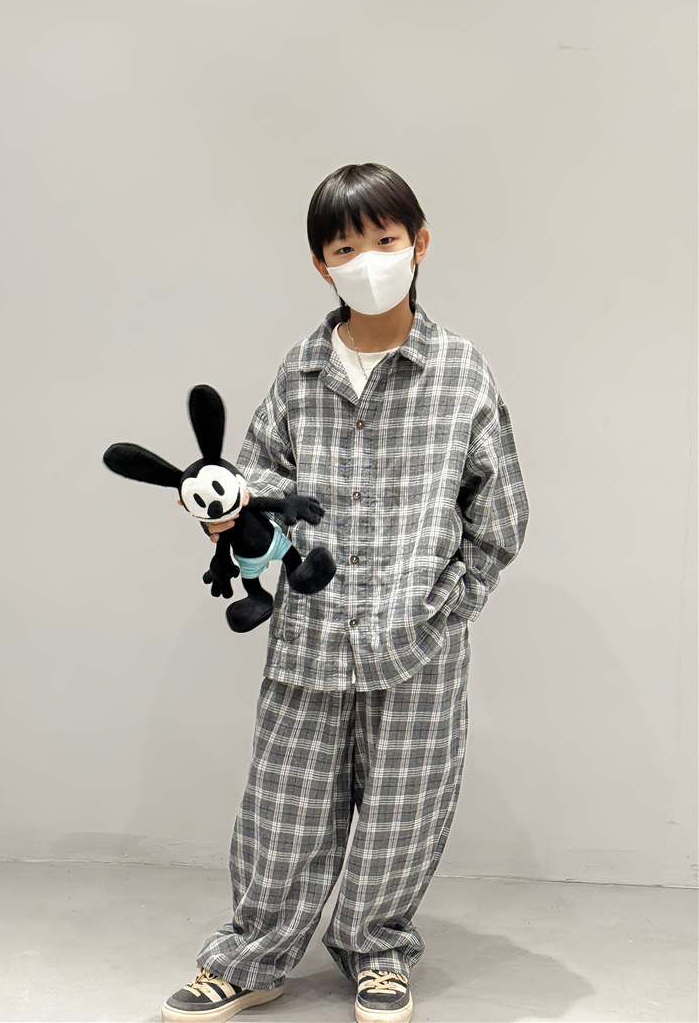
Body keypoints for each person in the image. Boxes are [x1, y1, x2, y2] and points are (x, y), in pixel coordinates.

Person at [161, 163, 530, 1023]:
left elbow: (501, 511)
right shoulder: (299, 373)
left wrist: (449, 605)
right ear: (321, 264)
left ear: (419, 244)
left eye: (384, 241)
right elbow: (257, 478)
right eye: (344, 249)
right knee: (283, 805)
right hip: (313, 632)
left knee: (406, 807)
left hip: (418, 640)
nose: (368, 262)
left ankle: (378, 951)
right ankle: (252, 957)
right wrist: (229, 512)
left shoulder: (461, 374)